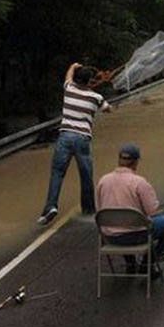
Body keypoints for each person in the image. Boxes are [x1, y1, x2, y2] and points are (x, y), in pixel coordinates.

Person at [38, 63, 112, 225]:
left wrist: (73, 66)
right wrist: (107, 106)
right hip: (82, 139)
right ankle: (89, 209)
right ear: (89, 81)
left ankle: (50, 206)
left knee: (57, 173)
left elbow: (68, 76)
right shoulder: (96, 97)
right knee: (86, 175)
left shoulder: (69, 89)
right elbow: (107, 109)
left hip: (65, 137)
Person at [97, 144, 164, 279]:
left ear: (119, 160)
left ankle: (130, 263)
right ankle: (147, 263)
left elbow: (100, 210)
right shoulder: (139, 183)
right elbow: (153, 210)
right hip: (136, 235)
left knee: (121, 223)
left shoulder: (103, 181)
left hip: (109, 238)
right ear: (135, 162)